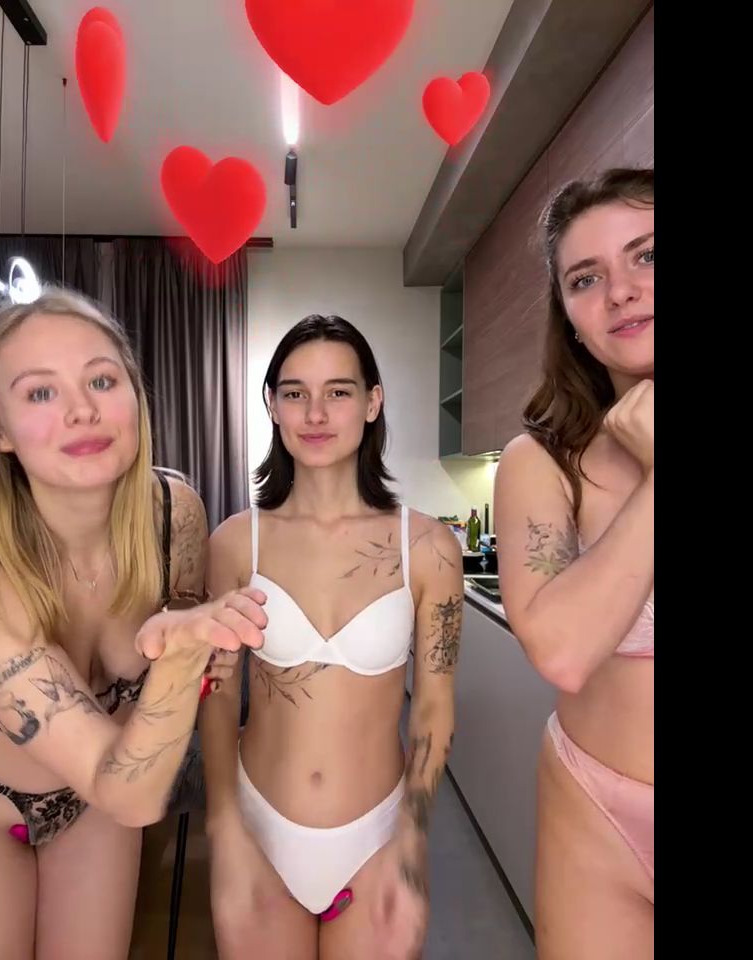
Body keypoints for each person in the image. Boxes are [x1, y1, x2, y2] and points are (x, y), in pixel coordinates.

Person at [0, 287, 266, 959]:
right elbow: (137, 794)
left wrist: (202, 653)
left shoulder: (175, 514)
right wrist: (182, 659)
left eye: (102, 380)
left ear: (135, 399)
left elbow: (166, 705)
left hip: (103, 794)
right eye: (40, 393)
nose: (82, 409)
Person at [200, 314, 463, 960]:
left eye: (338, 392)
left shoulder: (429, 547)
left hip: (377, 838)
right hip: (259, 828)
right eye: (295, 393)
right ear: (272, 405)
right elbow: (215, 697)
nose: (315, 413)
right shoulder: (235, 543)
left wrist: (412, 836)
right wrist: (224, 827)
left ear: (372, 402)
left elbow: (433, 706)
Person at [494, 168, 654, 959]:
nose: (621, 292)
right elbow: (561, 651)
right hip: (597, 808)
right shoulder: (540, 462)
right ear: (571, 320)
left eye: (647, 256)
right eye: (586, 278)